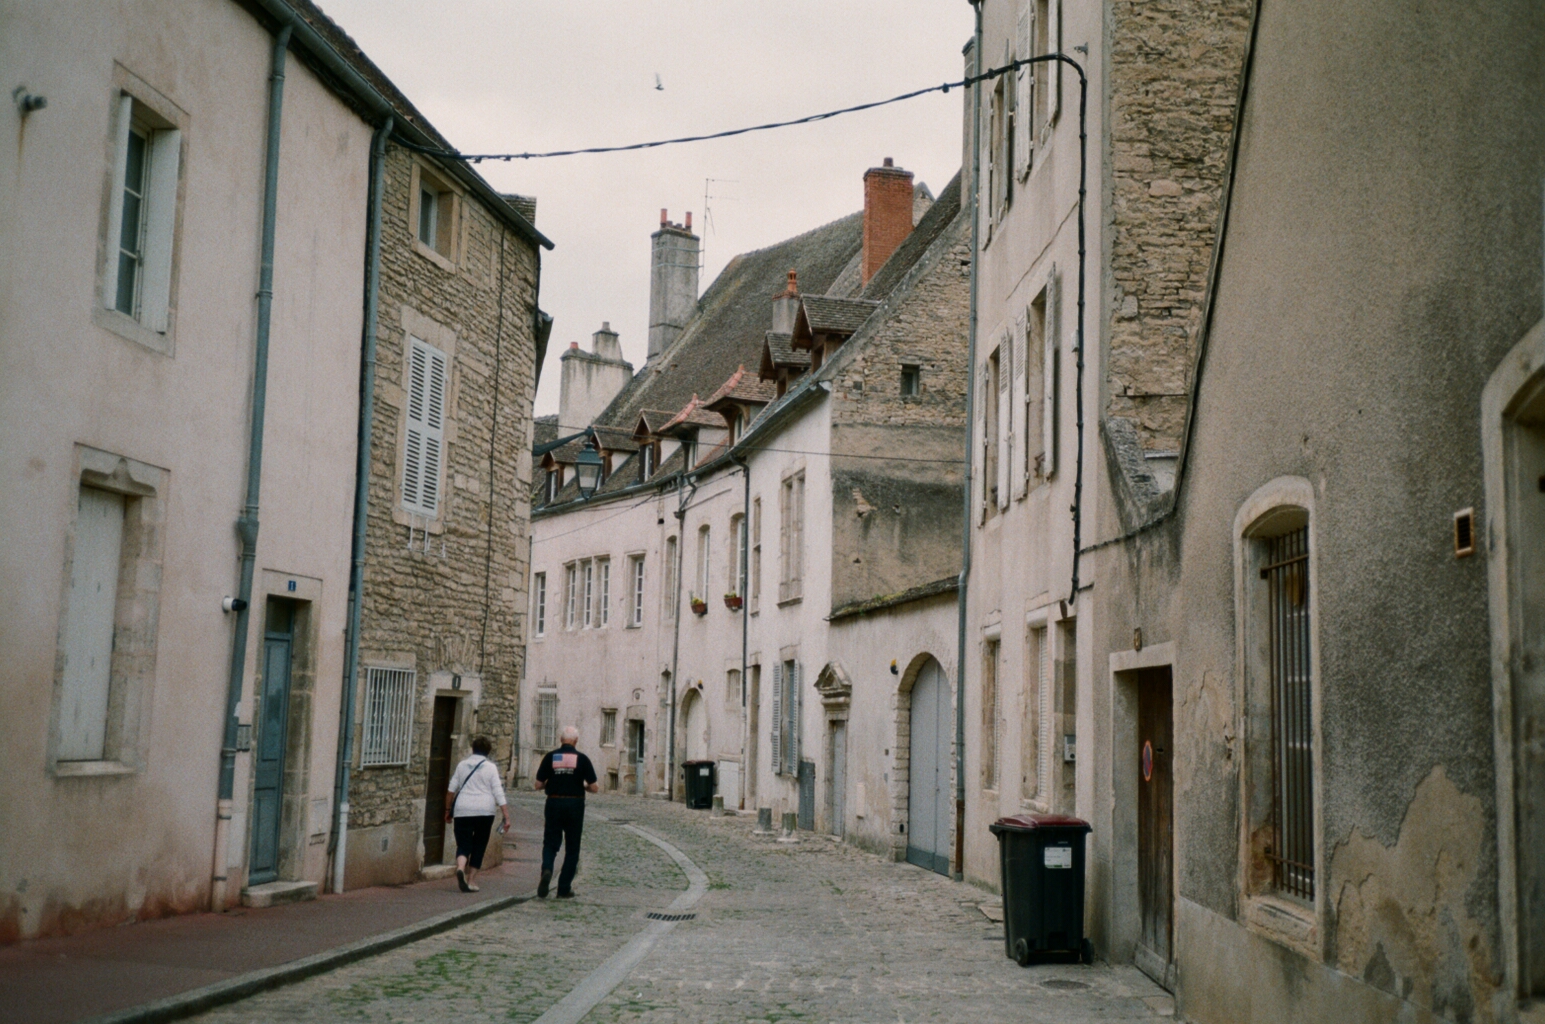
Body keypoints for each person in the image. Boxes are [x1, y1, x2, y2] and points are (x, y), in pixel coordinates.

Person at [534, 725, 598, 898]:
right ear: (576, 741)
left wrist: (554, 783)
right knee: (572, 847)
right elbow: (594, 787)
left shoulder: (550, 757)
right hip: (575, 804)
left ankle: (547, 870)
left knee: (550, 843)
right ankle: (563, 887)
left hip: (554, 801)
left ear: (561, 740)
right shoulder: (582, 759)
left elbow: (538, 785)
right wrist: (583, 786)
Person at [444, 736, 510, 893]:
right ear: (488, 751)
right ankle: (471, 880)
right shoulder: (490, 767)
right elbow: (498, 792)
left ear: (473, 749)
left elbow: (451, 790)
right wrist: (506, 816)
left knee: (463, 843)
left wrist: (447, 810)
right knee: (479, 844)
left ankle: (460, 867)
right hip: (484, 811)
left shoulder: (462, 765)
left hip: (463, 809)